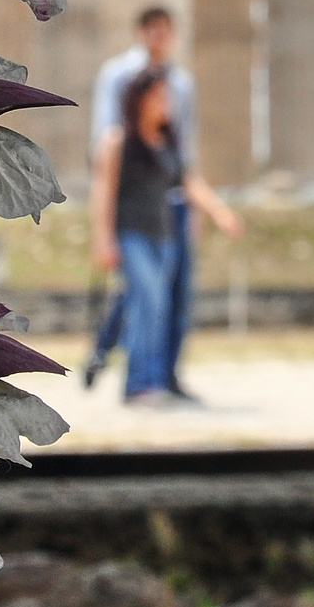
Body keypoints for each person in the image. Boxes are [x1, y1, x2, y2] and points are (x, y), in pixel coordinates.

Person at [90, 65, 243, 405]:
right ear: (140, 99)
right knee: (146, 302)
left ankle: (153, 381)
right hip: (132, 235)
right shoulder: (117, 141)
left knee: (159, 307)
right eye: (158, 95)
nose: (165, 102)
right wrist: (103, 239)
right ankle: (137, 385)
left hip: (165, 236)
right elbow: (104, 192)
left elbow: (188, 183)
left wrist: (220, 213)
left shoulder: (166, 143)